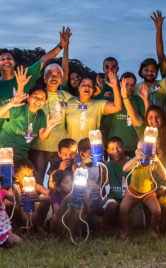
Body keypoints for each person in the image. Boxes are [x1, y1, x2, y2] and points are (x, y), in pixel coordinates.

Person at [29, 30, 73, 185]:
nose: (54, 77)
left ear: (61, 79)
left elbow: (66, 72)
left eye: (57, 75)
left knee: (57, 183)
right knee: (37, 181)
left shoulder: (65, 96)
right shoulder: (37, 95)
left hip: (58, 149)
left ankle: (56, 208)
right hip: (38, 146)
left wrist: (66, 47)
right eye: (51, 74)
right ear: (45, 78)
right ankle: (36, 209)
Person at [0, 85, 61, 195]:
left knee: (37, 185)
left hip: (21, 157)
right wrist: (10, 104)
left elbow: (43, 136)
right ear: (28, 97)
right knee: (8, 187)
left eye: (42, 98)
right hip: (4, 155)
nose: (38, 100)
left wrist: (50, 126)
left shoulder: (41, 114)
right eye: (35, 97)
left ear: (45, 101)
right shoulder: (18, 107)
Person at [0, 26, 71, 106]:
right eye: (2, 59)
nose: (6, 61)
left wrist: (61, 45)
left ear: (14, 62)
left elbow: (44, 59)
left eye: (9, 58)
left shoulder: (26, 74)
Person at [119, 141, 166, 240]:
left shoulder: (154, 163)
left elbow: (164, 176)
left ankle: (153, 229)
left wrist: (158, 161)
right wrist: (136, 158)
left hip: (148, 192)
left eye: (143, 149)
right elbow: (124, 169)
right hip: (133, 191)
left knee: (157, 211)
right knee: (123, 209)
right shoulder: (136, 161)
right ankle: (126, 230)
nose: (139, 151)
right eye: (138, 149)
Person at [65, 72, 122, 142]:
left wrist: (115, 87)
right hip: (71, 149)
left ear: (93, 90)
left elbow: (117, 107)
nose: (87, 87)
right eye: (83, 84)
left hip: (92, 150)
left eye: (90, 85)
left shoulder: (98, 104)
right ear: (78, 88)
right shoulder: (69, 102)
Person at [77, 138, 117, 235]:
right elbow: (76, 178)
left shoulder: (99, 166)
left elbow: (105, 183)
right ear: (82, 155)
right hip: (84, 202)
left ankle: (103, 225)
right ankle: (86, 228)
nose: (96, 156)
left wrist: (103, 167)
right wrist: (83, 164)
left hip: (98, 200)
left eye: (98, 152)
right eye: (92, 153)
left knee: (112, 204)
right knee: (86, 218)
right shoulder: (78, 166)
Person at [134, 37, 166, 111]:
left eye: (153, 70)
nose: (150, 73)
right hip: (141, 122)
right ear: (141, 71)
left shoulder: (161, 85)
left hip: (160, 122)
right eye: (146, 70)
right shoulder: (135, 87)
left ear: (157, 71)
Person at [104, 72, 145, 156]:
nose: (129, 87)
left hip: (133, 147)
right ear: (120, 84)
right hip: (115, 148)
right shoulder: (111, 99)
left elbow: (145, 118)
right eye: (127, 84)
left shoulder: (138, 100)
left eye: (132, 85)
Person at [49, 169, 89, 239]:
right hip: (61, 221)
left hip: (73, 221)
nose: (71, 184)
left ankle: (76, 234)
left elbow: (88, 212)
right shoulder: (55, 197)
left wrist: (84, 200)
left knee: (79, 213)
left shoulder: (77, 194)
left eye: (71, 181)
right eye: (66, 182)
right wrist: (65, 201)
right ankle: (55, 234)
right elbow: (57, 214)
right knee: (54, 217)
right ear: (58, 188)